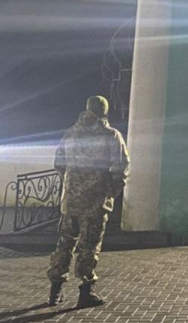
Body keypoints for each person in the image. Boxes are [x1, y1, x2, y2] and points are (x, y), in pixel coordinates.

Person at [47, 95, 130, 308]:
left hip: (70, 201)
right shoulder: (111, 135)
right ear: (104, 111)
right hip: (95, 201)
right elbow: (121, 166)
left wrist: (70, 185)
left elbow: (59, 162)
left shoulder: (70, 133)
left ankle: (55, 290)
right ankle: (86, 291)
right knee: (89, 246)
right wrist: (111, 191)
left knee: (64, 243)